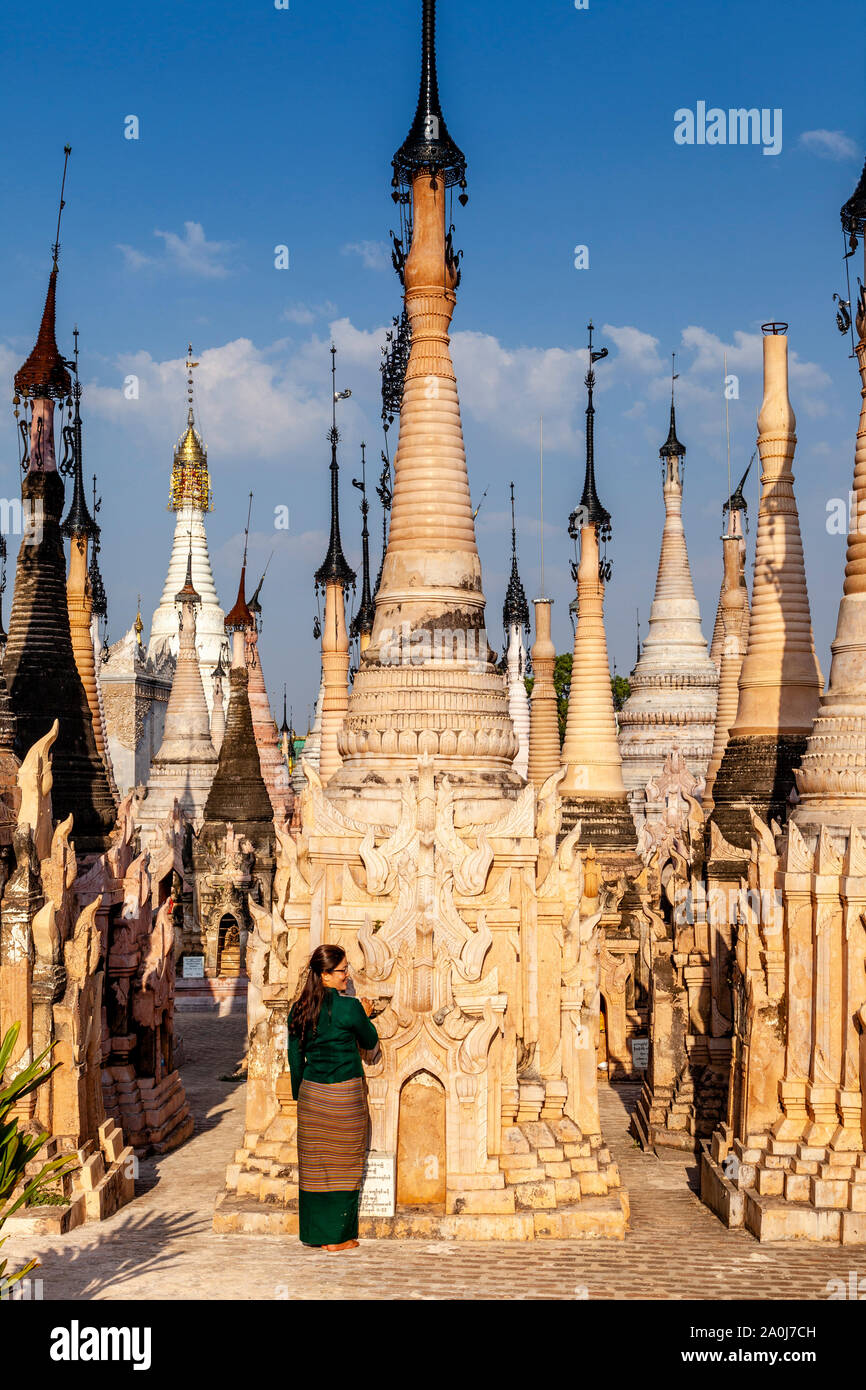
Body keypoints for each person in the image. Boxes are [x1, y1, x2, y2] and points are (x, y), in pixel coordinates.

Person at [288, 945, 378, 1252]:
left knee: (315, 1168)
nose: (347, 975)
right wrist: (364, 1014)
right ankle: (337, 1238)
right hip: (344, 1097)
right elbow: (370, 1040)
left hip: (313, 1096)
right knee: (345, 1165)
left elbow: (294, 1057)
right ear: (325, 975)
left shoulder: (299, 1008)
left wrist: (300, 1093)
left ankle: (316, 1233)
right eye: (342, 970)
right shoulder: (349, 1008)